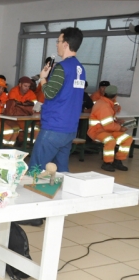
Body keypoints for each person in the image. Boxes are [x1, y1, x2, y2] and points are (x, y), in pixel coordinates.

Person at [29, 27, 86, 173]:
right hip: (70, 128)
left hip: (54, 127)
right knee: (61, 171)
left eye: (58, 41)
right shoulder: (80, 68)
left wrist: (42, 78)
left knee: (36, 169)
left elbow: (49, 93)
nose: (57, 45)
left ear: (66, 44)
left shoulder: (62, 67)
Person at [88, 85, 131, 172]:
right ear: (115, 95)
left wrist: (117, 121)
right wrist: (120, 128)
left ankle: (118, 161)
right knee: (111, 141)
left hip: (109, 130)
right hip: (98, 131)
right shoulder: (104, 106)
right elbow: (107, 125)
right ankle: (107, 163)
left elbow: (109, 120)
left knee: (128, 139)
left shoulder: (108, 103)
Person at [8, 76, 39, 144]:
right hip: (12, 118)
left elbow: (36, 107)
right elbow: (14, 108)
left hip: (26, 118)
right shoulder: (13, 92)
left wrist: (24, 107)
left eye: (28, 86)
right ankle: (23, 144)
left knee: (37, 127)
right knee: (28, 128)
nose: (27, 88)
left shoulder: (31, 93)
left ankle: (30, 146)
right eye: (25, 86)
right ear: (20, 85)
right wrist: (28, 107)